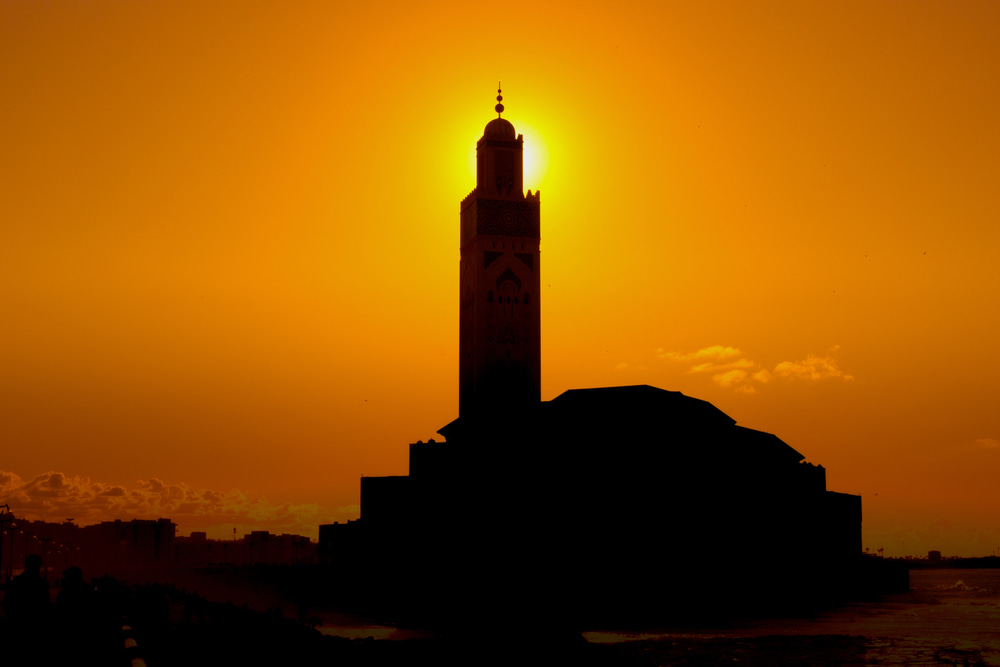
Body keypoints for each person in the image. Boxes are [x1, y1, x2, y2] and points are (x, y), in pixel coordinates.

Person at [2, 554, 51, 622]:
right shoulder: (41, 583)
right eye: (37, 566)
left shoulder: (18, 581)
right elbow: (46, 605)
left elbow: (7, 603)